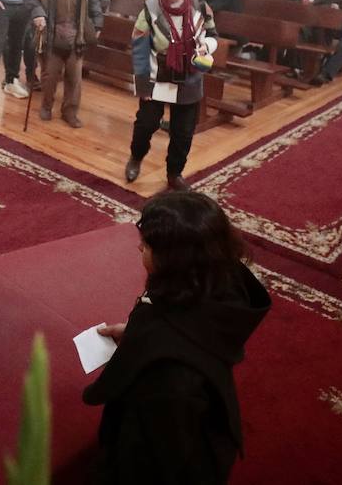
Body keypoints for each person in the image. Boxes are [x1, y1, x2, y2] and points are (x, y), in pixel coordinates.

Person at [84, 191, 271, 485]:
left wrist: (146, 343)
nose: (139, 249)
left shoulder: (169, 376)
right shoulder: (208, 286)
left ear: (172, 261)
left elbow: (156, 457)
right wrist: (137, 334)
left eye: (145, 246)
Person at [124, 0, 219, 189]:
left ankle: (174, 173)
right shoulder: (150, 9)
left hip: (189, 77)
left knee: (183, 132)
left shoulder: (200, 6)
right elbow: (138, 46)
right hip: (158, 78)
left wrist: (207, 46)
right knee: (146, 124)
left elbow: (213, 35)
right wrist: (143, 83)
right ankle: (136, 157)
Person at [25, 0, 100, 128]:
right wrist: (38, 13)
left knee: (74, 76)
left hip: (77, 31)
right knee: (50, 74)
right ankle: (46, 106)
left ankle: (70, 112)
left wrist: (98, 21)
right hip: (51, 29)